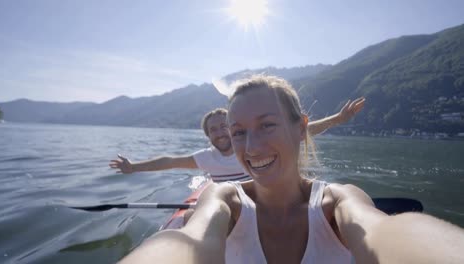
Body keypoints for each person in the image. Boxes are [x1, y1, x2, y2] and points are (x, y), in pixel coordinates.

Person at [119, 75, 464, 264]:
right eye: (238, 132)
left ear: (300, 128)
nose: (250, 147)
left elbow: (382, 233)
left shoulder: (341, 201)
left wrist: (341, 119)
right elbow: (191, 243)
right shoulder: (219, 197)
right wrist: (134, 167)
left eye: (267, 125)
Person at [109, 97, 365, 183]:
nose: (221, 133)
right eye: (214, 130)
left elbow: (302, 132)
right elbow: (169, 161)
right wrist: (134, 167)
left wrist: (338, 119)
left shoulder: (256, 148)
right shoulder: (206, 158)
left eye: (225, 127)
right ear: (208, 136)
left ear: (236, 129)